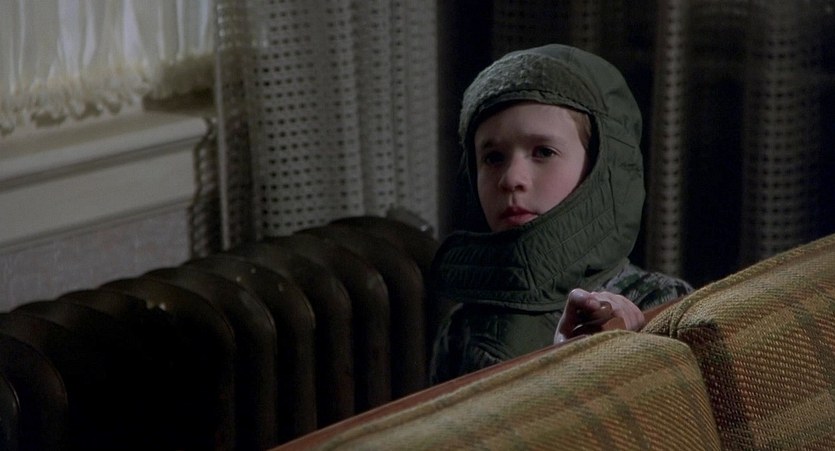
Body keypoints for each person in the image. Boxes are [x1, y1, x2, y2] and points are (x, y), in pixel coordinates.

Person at [429, 43, 693, 385]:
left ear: (602, 169)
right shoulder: (461, 329)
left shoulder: (659, 301)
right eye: (493, 158)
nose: (511, 179)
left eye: (543, 152)